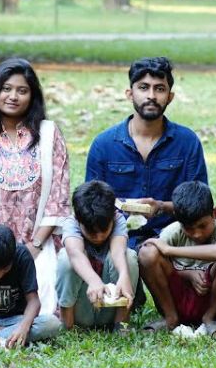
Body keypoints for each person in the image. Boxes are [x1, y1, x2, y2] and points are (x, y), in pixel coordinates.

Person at [85, 57, 208, 252]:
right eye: (143, 87)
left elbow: (200, 204)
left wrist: (161, 207)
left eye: (159, 89)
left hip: (173, 239)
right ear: (129, 94)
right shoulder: (104, 144)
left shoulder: (187, 142)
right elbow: (90, 204)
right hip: (117, 239)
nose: (151, 95)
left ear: (170, 96)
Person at [0, 57, 69, 260]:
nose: (13, 97)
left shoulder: (49, 134)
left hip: (40, 248)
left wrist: (34, 247)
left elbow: (58, 196)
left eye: (22, 91)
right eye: (6, 89)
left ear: (32, 96)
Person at [138, 181, 216, 336]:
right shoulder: (173, 231)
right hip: (177, 298)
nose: (197, 234)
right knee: (147, 253)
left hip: (211, 297)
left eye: (202, 226)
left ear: (215, 213)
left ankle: (210, 318)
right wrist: (187, 274)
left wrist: (169, 250)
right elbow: (150, 261)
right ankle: (170, 317)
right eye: (189, 228)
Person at [57, 181, 139, 331]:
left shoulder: (118, 219)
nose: (99, 236)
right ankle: (68, 327)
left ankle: (122, 326)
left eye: (104, 230)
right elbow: (75, 254)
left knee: (129, 257)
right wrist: (93, 280)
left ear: (112, 217)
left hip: (111, 305)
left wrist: (124, 275)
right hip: (82, 307)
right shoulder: (71, 222)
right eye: (91, 232)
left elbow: (118, 251)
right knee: (65, 259)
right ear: (78, 220)